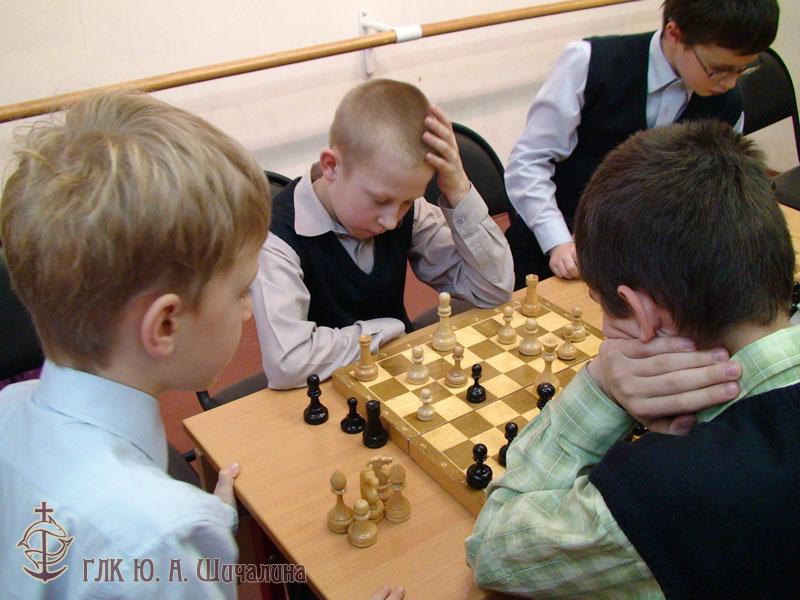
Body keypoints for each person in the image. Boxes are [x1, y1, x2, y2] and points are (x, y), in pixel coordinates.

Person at [466, 119, 799, 597]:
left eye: (601, 306)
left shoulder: (669, 490)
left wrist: (602, 385)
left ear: (644, 315)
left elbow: (492, 549)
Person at [0, 91, 270, 599]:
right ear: (164, 324)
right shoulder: (158, 541)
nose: (247, 311)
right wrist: (179, 536)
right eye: (240, 291)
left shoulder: (7, 409)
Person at [252, 78, 514, 389]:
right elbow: (288, 363)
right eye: (379, 201)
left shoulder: (406, 207)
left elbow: (494, 289)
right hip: (319, 392)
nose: (391, 221)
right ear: (331, 166)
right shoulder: (275, 239)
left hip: (394, 374)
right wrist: (386, 330)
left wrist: (458, 188)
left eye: (407, 201)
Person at [504, 0, 779, 285]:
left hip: (647, 257)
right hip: (556, 243)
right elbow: (528, 162)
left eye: (743, 69)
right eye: (718, 69)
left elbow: (713, 189)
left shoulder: (728, 105)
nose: (730, 83)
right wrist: (558, 241)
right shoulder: (590, 62)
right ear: (674, 34)